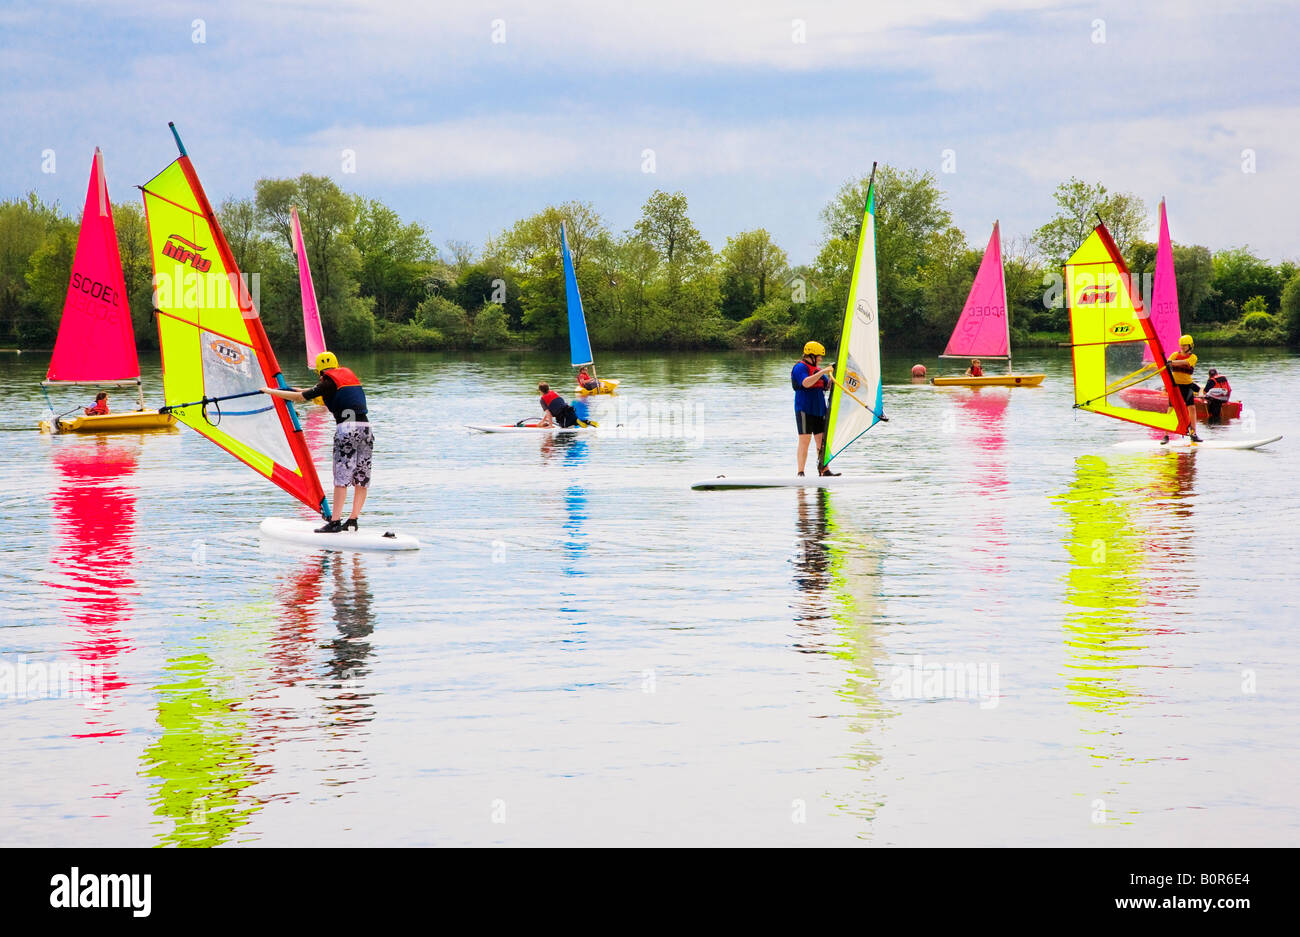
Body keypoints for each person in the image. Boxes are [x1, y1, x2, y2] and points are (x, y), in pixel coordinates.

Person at [262, 351, 372, 533]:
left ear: (320, 371)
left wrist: (270, 391)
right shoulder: (345, 378)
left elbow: (301, 398)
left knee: (341, 479)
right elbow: (310, 393)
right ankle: (353, 520)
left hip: (347, 430)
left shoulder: (327, 382)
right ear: (335, 366)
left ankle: (335, 522)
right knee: (361, 477)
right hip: (366, 430)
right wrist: (289, 389)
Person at [792, 341, 839, 477]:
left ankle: (824, 470)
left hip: (819, 410)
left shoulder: (817, 370)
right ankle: (801, 472)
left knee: (822, 442)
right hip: (804, 410)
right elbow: (806, 383)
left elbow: (827, 385)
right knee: (805, 441)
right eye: (819, 356)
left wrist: (835, 374)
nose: (820, 359)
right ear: (811, 355)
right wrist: (824, 371)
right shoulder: (800, 368)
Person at [1166, 334, 1202, 442]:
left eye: (1185, 346)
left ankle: (1193, 433)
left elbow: (1186, 362)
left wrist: (1172, 362)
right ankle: (1166, 435)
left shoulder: (1193, 357)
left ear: (1190, 346)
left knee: (1192, 408)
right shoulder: (1174, 355)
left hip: (1187, 386)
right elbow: (1167, 363)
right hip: (1175, 387)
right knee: (1171, 409)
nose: (1182, 348)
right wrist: (1169, 362)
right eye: (1181, 346)